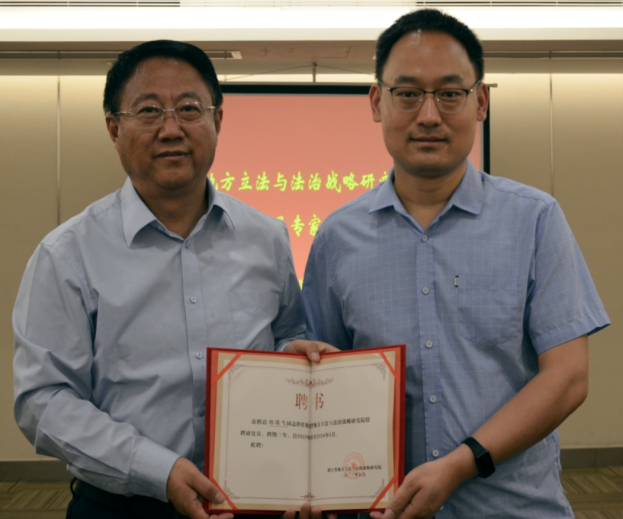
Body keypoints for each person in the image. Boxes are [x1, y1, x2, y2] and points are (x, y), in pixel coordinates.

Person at [302, 9, 610, 519]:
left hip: (515, 509)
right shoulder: (337, 238)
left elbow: (568, 378)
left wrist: (462, 463)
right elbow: (322, 372)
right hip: (383, 509)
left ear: (480, 101)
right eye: (407, 94)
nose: (429, 115)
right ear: (377, 102)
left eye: (450, 93)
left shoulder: (535, 219)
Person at [13, 40, 333, 519]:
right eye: (148, 111)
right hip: (123, 505)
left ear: (217, 120)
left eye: (189, 109)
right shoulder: (68, 254)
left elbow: (287, 333)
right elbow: (44, 400)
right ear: (114, 128)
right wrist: (156, 470)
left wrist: (292, 358)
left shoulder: (266, 237)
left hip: (253, 501)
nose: (171, 129)